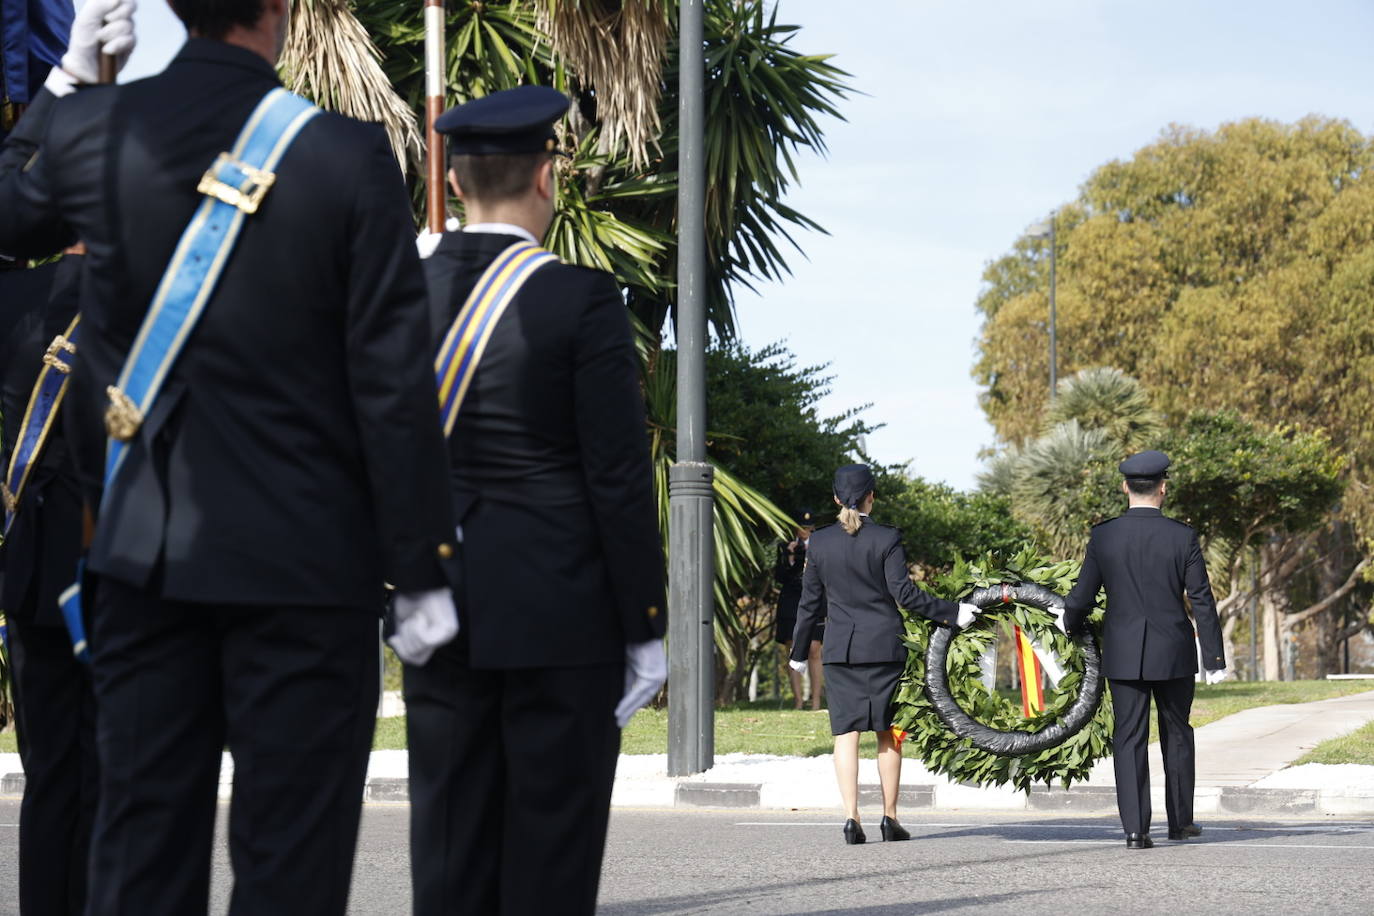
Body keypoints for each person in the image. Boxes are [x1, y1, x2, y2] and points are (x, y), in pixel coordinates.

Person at [0, 0, 460, 910]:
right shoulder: (346, 154)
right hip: (307, 568)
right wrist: (421, 569)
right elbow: (392, 386)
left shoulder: (98, 131)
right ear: (282, 11)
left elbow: (11, 213)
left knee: (140, 857)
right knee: (292, 864)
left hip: (143, 559)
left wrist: (64, 83)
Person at [406, 85, 667, 915]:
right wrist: (646, 627)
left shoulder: (399, 291)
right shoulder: (583, 301)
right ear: (548, 177)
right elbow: (619, 480)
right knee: (552, 861)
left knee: (448, 854)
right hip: (565, 613)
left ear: (451, 183)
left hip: (437, 601)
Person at [790, 463, 979, 844]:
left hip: (840, 650)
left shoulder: (820, 542)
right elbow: (905, 595)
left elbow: (809, 603)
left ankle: (850, 818)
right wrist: (953, 612)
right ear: (871, 498)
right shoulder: (887, 538)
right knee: (888, 734)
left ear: (835, 498)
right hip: (883, 647)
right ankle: (890, 818)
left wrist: (798, 652)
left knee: (845, 735)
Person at [1062, 449, 1226, 850]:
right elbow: (1201, 599)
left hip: (1124, 651)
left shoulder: (1104, 535)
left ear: (1124, 487)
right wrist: (1214, 658)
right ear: (1163, 488)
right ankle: (1181, 822)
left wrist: (1069, 623)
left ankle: (1136, 830)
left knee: (1129, 737)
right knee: (1177, 734)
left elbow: (1083, 595)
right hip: (1173, 650)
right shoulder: (1182, 535)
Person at [0, 253, 98, 915]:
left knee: (50, 777)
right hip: (116, 567)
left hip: (32, 569)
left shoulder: (13, 294)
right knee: (113, 779)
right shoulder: (153, 289)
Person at [776, 509, 823, 709]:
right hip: (790, 602)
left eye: (809, 528)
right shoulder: (786, 546)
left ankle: (816, 701)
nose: (805, 531)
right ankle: (798, 701)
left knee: (814, 649)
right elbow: (779, 577)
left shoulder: (820, 546)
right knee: (793, 648)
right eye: (802, 528)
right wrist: (790, 556)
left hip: (814, 601)